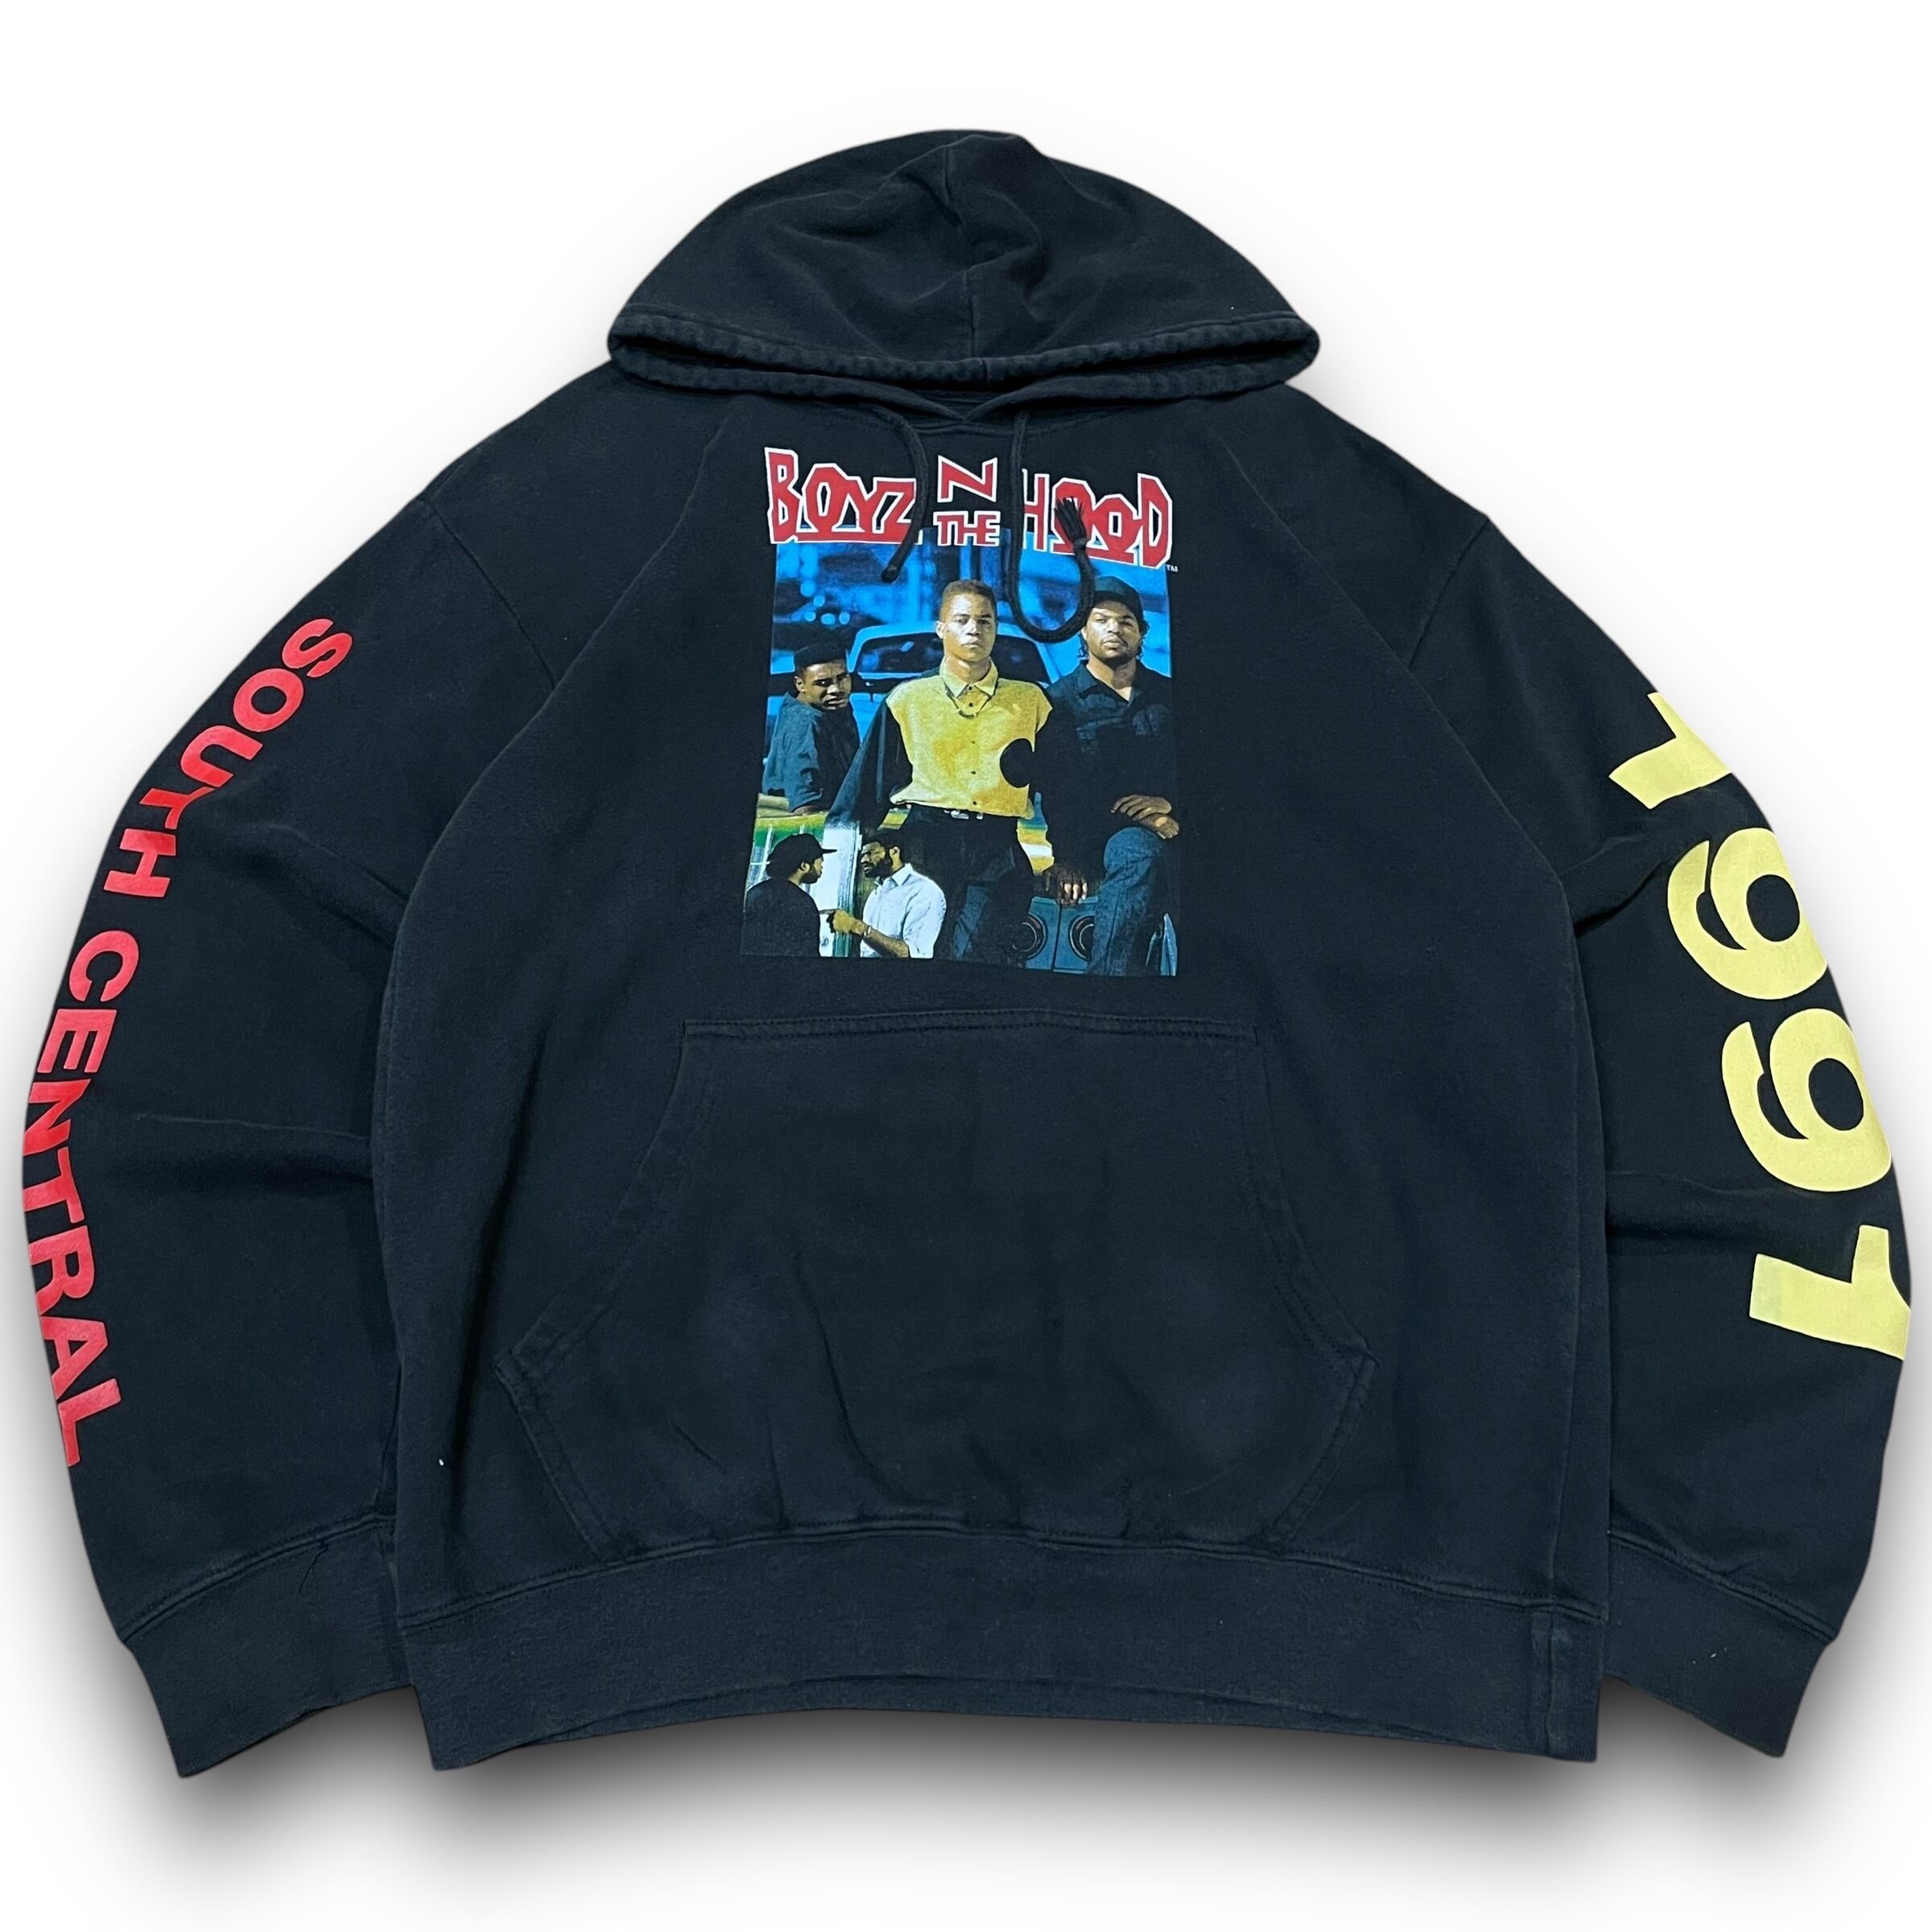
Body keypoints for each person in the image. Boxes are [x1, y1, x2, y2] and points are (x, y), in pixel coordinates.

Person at [829, 579, 1050, 964]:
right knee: (918, 955)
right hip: (924, 843)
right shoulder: (908, 699)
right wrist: (836, 868)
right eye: (962, 620)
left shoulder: (1031, 702)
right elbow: (865, 790)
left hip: (997, 849)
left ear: (996, 628)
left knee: (973, 957)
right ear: (941, 628)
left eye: (984, 621)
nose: (974, 630)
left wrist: (1071, 857)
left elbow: (1063, 785)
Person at [1038, 576, 1178, 976]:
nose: (1115, 629)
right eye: (1101, 620)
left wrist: (1168, 805)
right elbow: (1060, 792)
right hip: (1100, 840)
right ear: (1083, 630)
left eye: (1126, 621)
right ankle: (1106, 987)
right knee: (1135, 848)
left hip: (1172, 829)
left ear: (1142, 632)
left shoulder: (1170, 696)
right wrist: (1066, 859)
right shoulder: (1058, 702)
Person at [762, 641, 859, 809]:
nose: (836, 689)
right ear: (800, 685)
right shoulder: (804, 724)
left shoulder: (833, 707)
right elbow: (805, 806)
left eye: (842, 678)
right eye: (823, 683)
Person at [826, 826, 947, 960]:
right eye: (862, 855)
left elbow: (912, 955)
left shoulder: (924, 891)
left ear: (894, 852)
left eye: (871, 853)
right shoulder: (876, 894)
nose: (863, 860)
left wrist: (857, 927)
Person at [741, 831, 827, 956]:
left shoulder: (755, 892)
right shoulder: (804, 903)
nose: (821, 868)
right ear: (804, 866)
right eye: (819, 863)